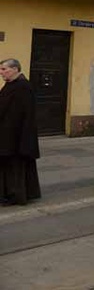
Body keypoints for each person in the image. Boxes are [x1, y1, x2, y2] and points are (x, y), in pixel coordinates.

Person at [0, 58, 41, 206]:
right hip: (7, 135)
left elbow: (24, 115)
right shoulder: (10, 85)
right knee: (7, 166)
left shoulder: (23, 86)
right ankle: (8, 193)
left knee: (15, 167)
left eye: (4, 69)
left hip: (16, 137)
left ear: (15, 69)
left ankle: (15, 195)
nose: (1, 72)